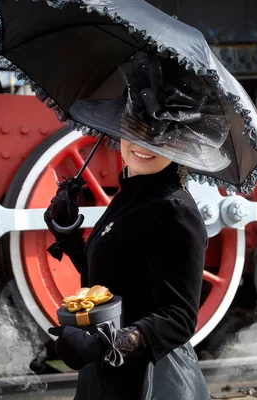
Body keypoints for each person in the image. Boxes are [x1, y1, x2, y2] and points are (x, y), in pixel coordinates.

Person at [43, 53, 238, 399]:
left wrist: (110, 343)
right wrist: (68, 235)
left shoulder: (175, 210)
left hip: (151, 379)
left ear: (181, 145)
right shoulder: (131, 193)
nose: (144, 144)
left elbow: (179, 319)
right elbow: (112, 280)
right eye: (136, 128)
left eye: (161, 137)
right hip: (110, 370)